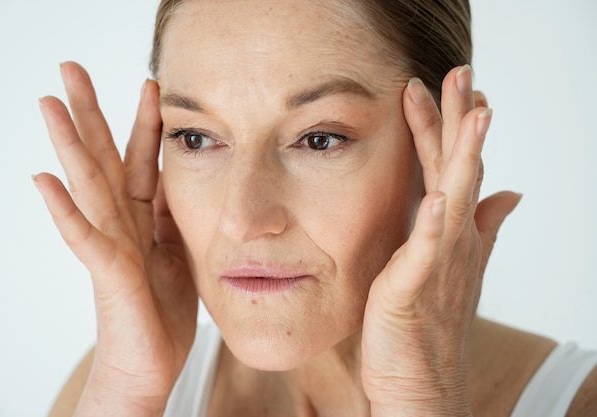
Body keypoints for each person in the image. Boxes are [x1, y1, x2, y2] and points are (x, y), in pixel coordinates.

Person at [34, 0, 597, 416]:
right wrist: (127, 387)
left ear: (451, 148)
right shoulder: (108, 389)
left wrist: (419, 397)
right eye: (197, 138)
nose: (242, 219)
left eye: (319, 138)